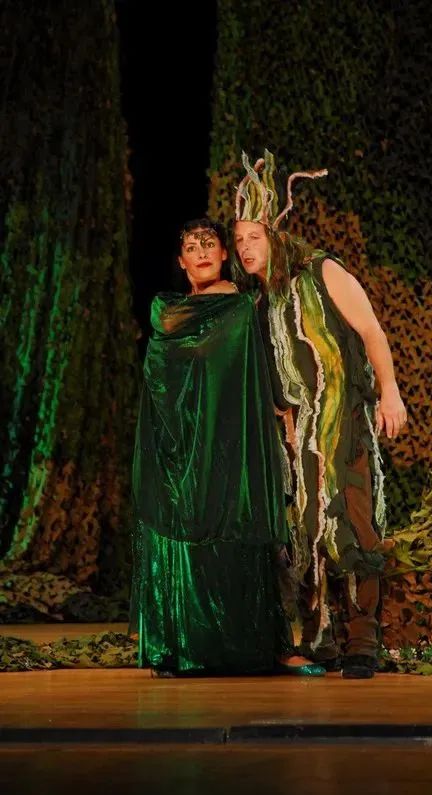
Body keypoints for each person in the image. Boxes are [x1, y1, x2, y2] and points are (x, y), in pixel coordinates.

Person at [233, 152, 407, 678]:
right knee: (306, 529)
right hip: (296, 432)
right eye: (238, 241)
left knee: (351, 522)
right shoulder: (261, 301)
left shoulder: (321, 270)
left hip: (342, 421)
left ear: (275, 236)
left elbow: (371, 330)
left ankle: (363, 642)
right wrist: (282, 418)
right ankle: (320, 636)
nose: (245, 248)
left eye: (254, 238)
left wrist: (390, 392)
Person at [130, 217, 324, 676]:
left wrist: (285, 413)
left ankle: (268, 646)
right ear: (181, 262)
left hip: (233, 443)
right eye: (191, 247)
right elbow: (160, 376)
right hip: (179, 445)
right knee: (181, 531)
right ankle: (179, 646)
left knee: (241, 530)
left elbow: (263, 367)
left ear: (223, 255)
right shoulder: (168, 311)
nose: (201, 252)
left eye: (210, 244)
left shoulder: (244, 306)